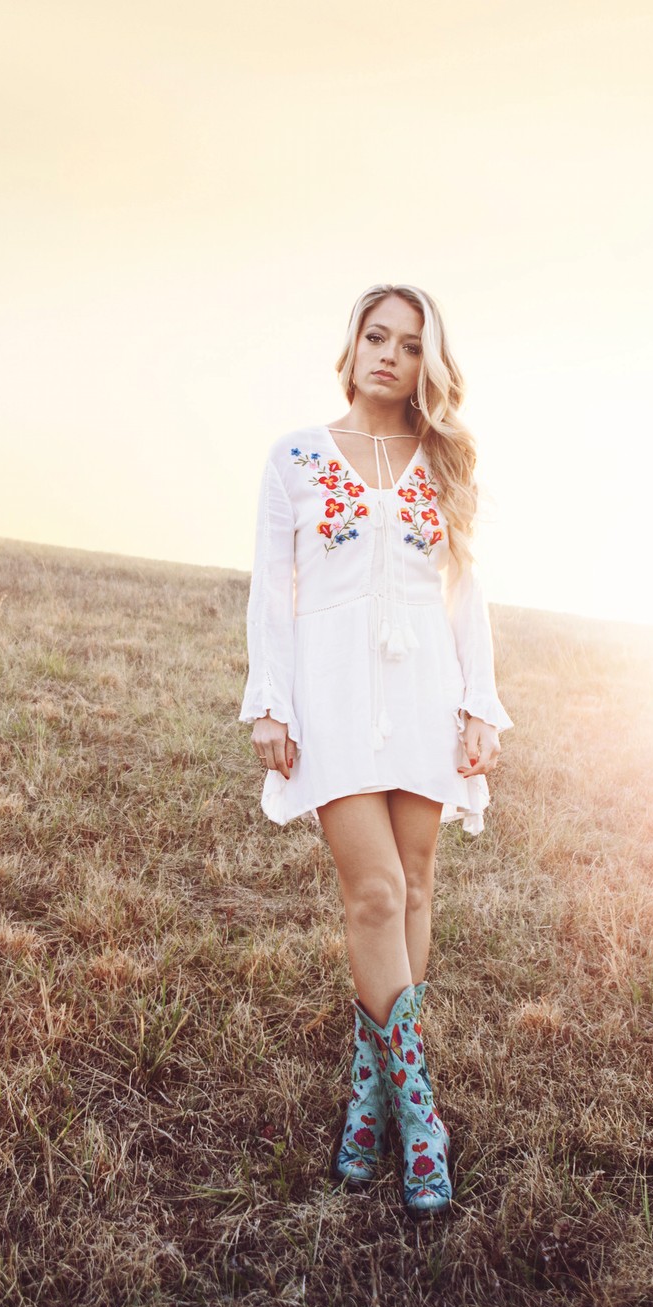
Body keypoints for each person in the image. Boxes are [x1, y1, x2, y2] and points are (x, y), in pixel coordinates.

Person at [238, 283, 514, 1215]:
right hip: (333, 692)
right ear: (351, 346)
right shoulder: (297, 457)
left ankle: (370, 1097)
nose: (388, 353)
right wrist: (270, 703)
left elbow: (465, 593)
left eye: (408, 342)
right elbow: (271, 590)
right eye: (375, 335)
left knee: (421, 885)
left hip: (425, 687)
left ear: (428, 362)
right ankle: (422, 1113)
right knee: (377, 891)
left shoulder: (443, 462)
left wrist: (480, 703)